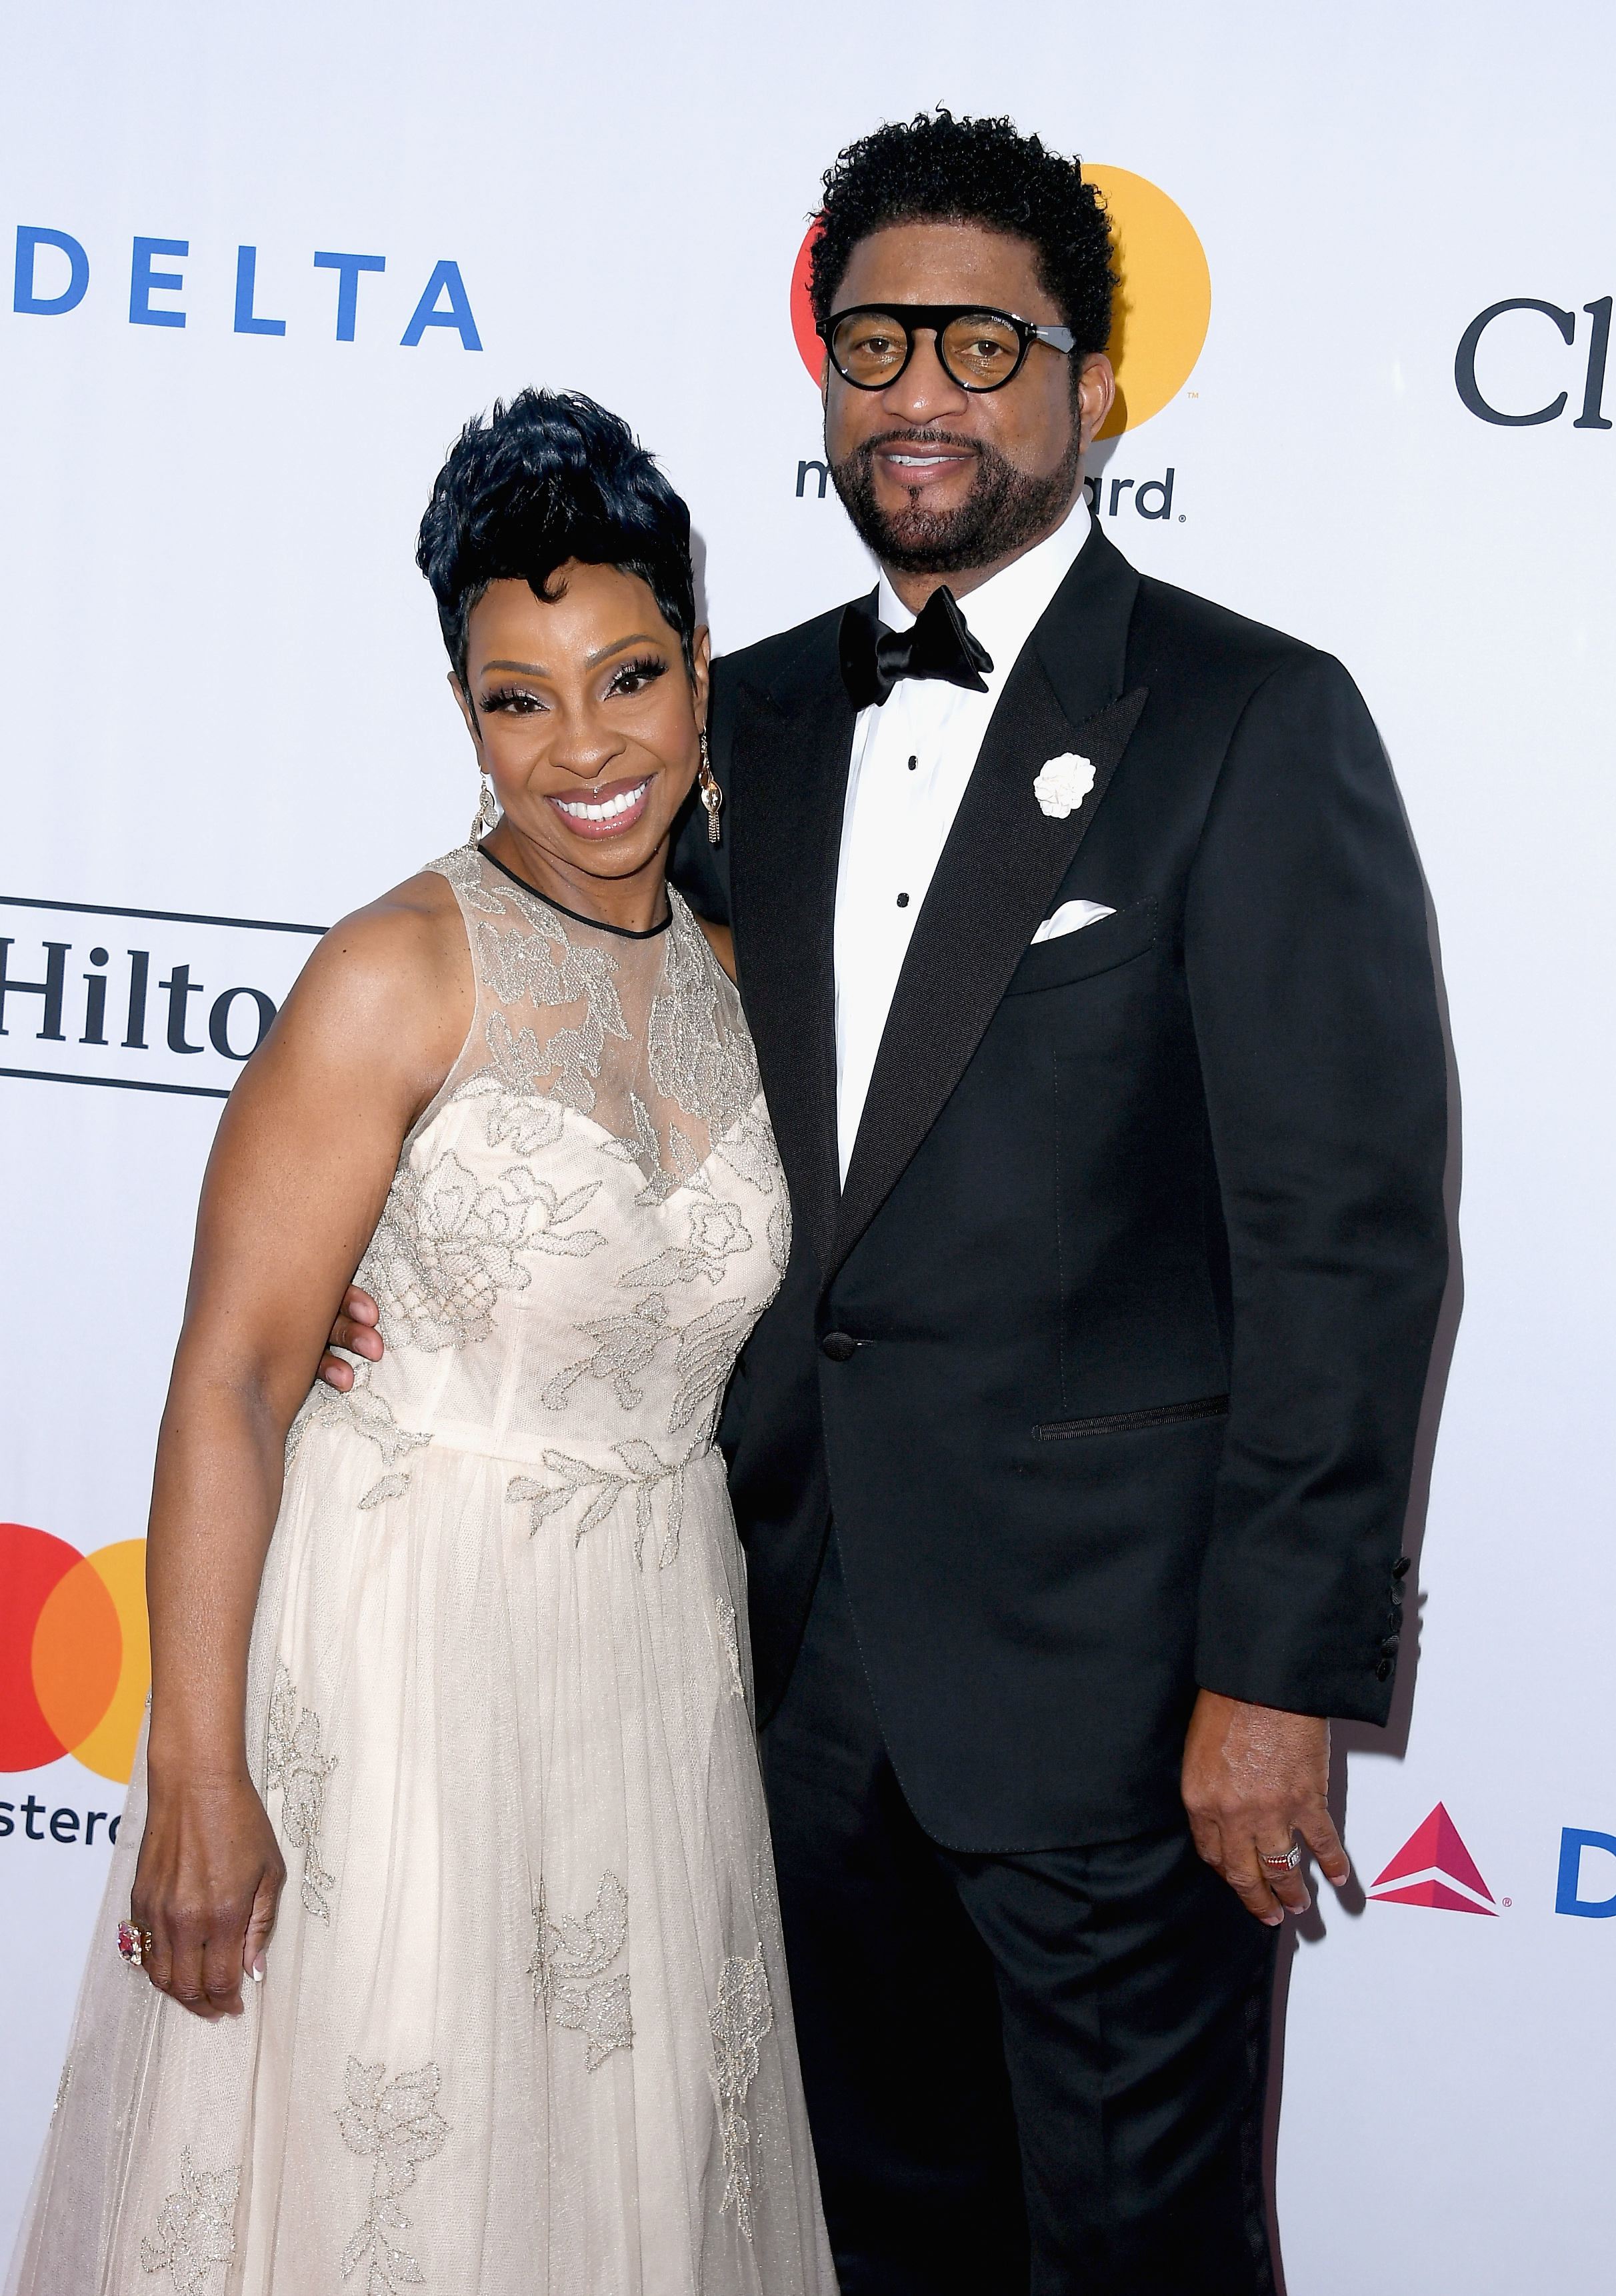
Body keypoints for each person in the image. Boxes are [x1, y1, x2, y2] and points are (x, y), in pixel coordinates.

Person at [323, 111, 1449, 2294]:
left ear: (1090, 385)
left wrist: (1278, 1673)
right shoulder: (729, 722)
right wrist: (401, 1250)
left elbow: (1353, 1239)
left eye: (975, 340)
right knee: (863, 2243)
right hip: (774, 1675)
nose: (916, 389)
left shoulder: (1250, 722)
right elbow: (552, 998)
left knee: (1141, 2254)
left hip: (1125, 1710)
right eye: (870, 341)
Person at [8, 391, 835, 2296]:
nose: (583, 746)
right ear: (462, 712)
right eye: (516, 697)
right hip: (399, 1678)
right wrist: (199, 1774)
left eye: (627, 674)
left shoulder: (738, 982)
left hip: (651, 1669)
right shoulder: (395, 969)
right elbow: (231, 1376)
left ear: (703, 667)